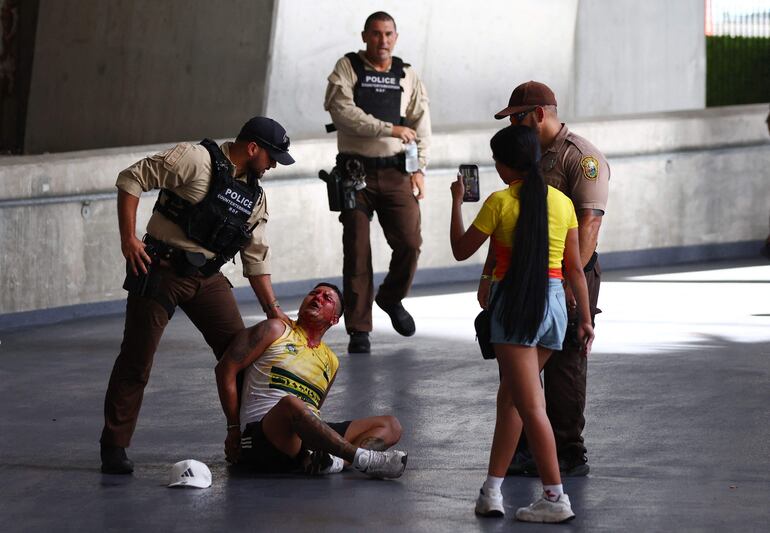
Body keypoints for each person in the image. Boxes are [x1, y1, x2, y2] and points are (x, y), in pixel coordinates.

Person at [100, 116, 294, 475]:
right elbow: (131, 178)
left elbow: (255, 258)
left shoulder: (255, 197)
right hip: (159, 269)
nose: (272, 166)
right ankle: (114, 445)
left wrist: (274, 311)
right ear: (252, 148)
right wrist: (128, 238)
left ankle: (249, 442)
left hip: (207, 278)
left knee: (243, 355)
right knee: (136, 361)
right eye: (271, 158)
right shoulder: (195, 158)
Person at [450, 125, 594, 522]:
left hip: (515, 306)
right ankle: (491, 491)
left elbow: (461, 250)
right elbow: (575, 270)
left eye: (497, 160)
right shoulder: (562, 202)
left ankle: (555, 497)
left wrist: (456, 203)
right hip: (554, 307)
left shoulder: (499, 202)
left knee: (531, 406)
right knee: (511, 400)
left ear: (506, 164)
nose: (495, 167)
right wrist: (584, 319)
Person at [488, 81, 609, 477]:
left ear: (539, 114)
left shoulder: (581, 158)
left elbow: (588, 227)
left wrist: (568, 290)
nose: (513, 127)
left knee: (566, 363)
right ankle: (525, 449)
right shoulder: (529, 154)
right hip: (527, 275)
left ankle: (568, 451)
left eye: (517, 118)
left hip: (568, 273)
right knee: (521, 360)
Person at [215, 283, 408, 478]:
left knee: (391, 425)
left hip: (301, 437)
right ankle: (364, 460)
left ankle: (335, 462)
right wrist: (233, 429)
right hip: (263, 435)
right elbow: (225, 369)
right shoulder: (275, 329)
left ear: (334, 319)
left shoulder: (331, 361)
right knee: (291, 403)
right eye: (313, 293)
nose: (317, 298)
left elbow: (314, 408)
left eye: (327, 298)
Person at [324, 11, 432, 353]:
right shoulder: (348, 68)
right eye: (375, 34)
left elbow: (420, 123)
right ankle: (359, 329)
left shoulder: (407, 74)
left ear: (395, 38)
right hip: (355, 175)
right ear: (364, 36)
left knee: (410, 242)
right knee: (356, 249)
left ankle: (391, 298)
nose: (382, 41)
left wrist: (420, 168)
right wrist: (388, 129)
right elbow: (343, 112)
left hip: (398, 171)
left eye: (388, 34)